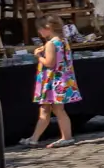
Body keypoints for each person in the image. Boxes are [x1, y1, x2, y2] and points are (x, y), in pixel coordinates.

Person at [24, 19, 78, 148]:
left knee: (57, 110)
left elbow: (49, 63)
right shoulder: (63, 41)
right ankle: (34, 138)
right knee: (46, 109)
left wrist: (38, 56)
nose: (39, 32)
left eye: (40, 29)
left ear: (48, 28)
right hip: (59, 79)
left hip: (53, 80)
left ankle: (66, 137)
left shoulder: (51, 43)